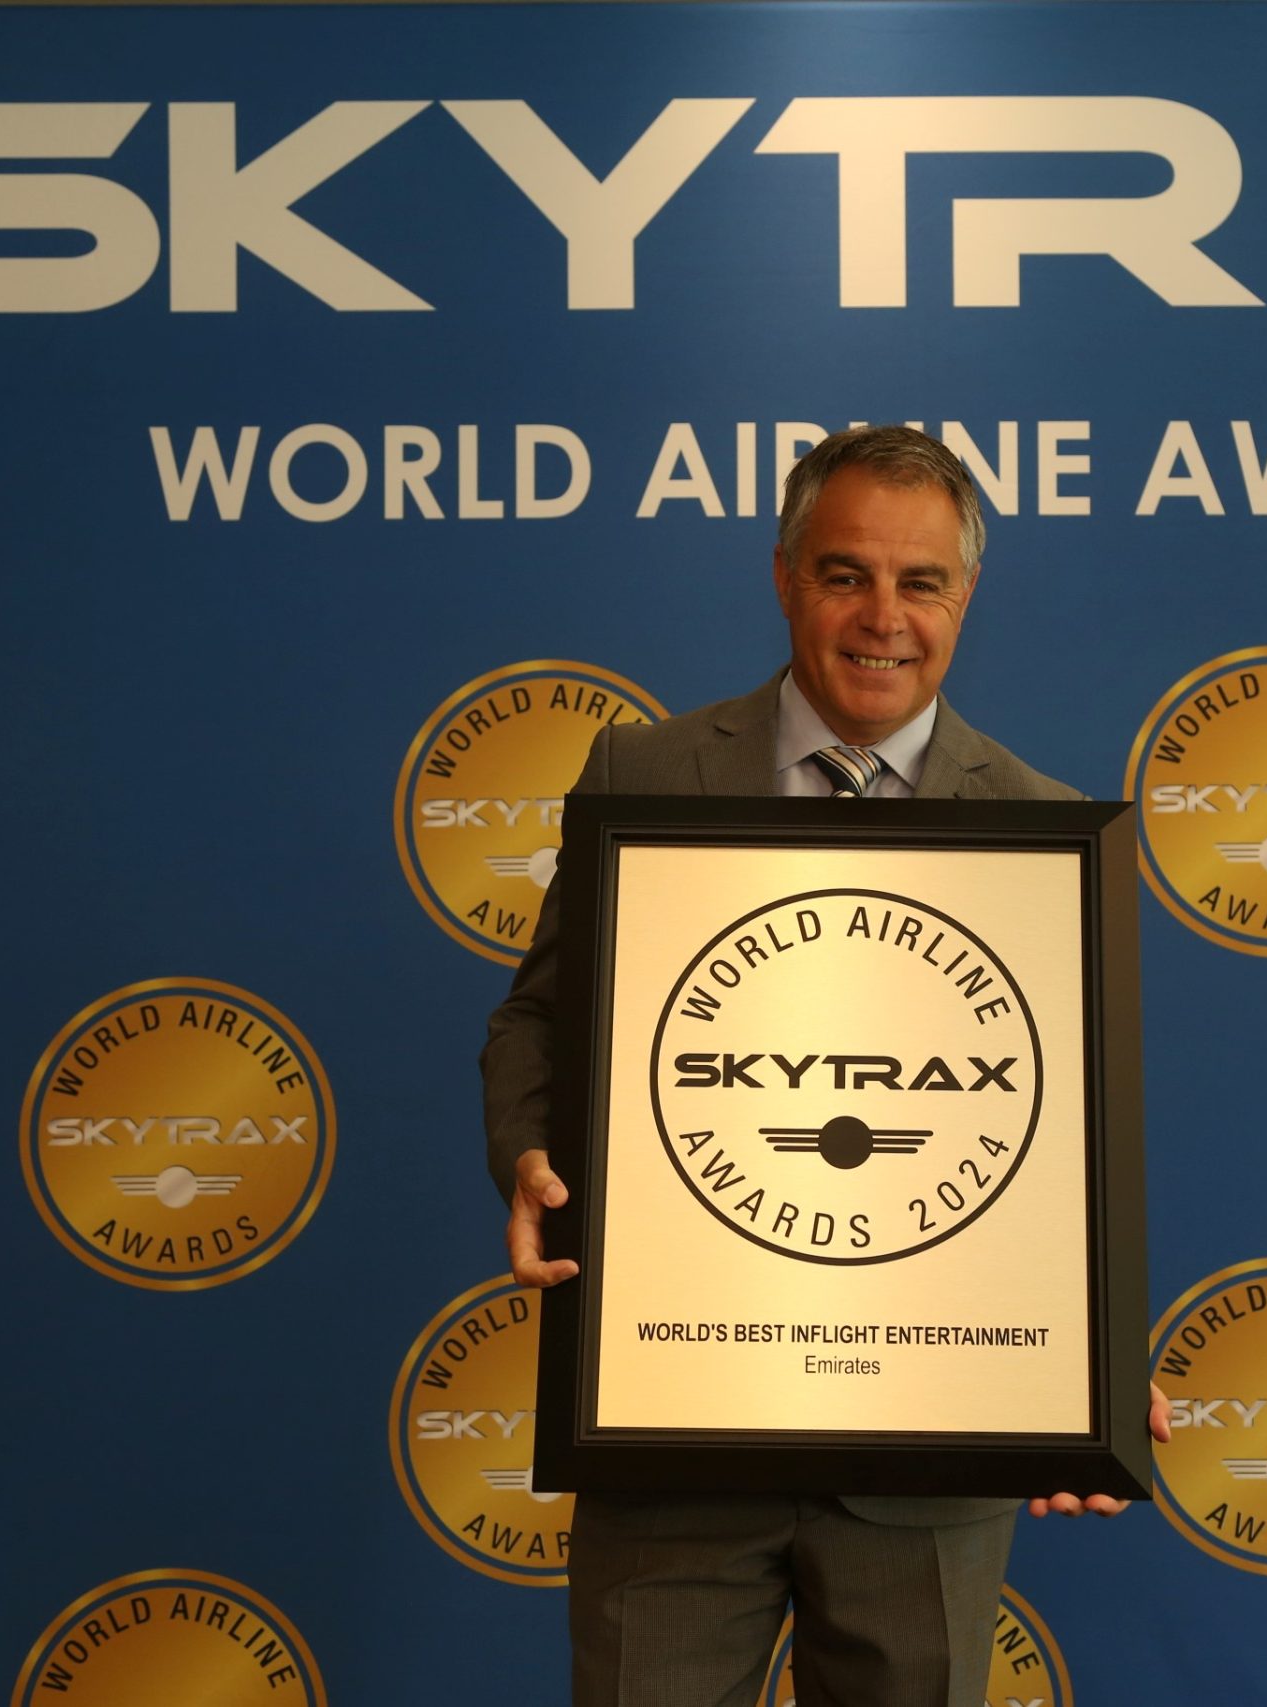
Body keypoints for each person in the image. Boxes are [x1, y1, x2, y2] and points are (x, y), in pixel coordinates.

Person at [480, 424, 1167, 1707]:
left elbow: (1044, 1138)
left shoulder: (1040, 826)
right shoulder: (644, 770)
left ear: (966, 595)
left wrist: (1087, 1371)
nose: (883, 618)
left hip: (928, 1472)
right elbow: (540, 1020)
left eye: (922, 583)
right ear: (786, 576)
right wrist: (528, 1153)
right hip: (673, 1429)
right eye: (846, 574)